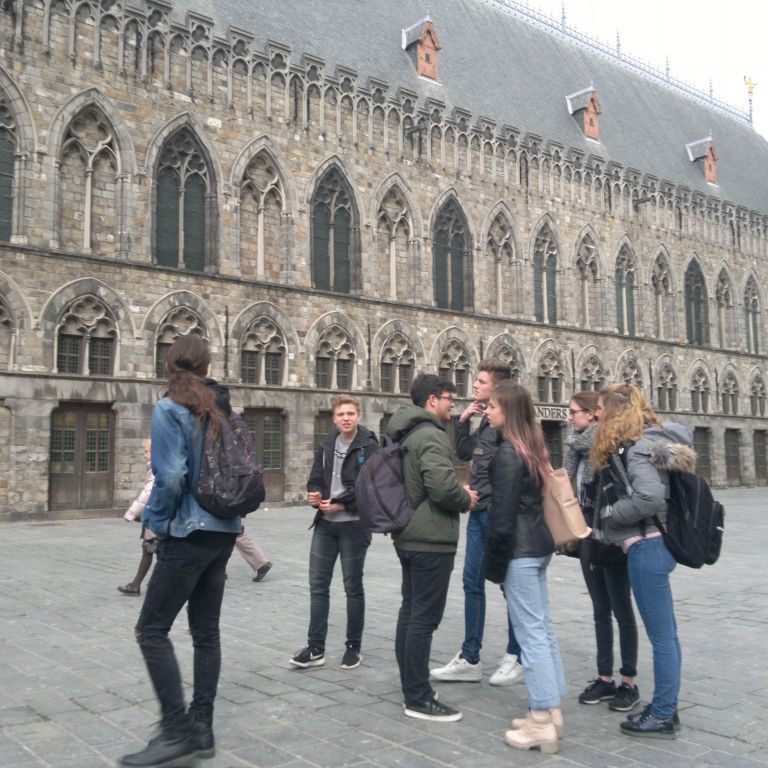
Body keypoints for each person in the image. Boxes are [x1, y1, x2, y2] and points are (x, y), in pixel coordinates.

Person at [118, 335, 243, 768]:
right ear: (207, 367)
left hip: (188, 532)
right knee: (206, 632)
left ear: (169, 366)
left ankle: (177, 730)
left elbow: (170, 475)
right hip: (223, 530)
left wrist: (156, 522)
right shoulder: (222, 408)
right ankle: (202, 726)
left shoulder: (170, 408)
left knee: (150, 631)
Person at [590, 383, 691, 739]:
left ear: (614, 411)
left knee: (662, 638)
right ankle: (666, 707)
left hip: (647, 547)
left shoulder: (636, 448)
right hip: (655, 545)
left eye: (600, 408)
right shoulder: (649, 442)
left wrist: (611, 513)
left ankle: (662, 715)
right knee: (667, 636)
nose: (596, 414)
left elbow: (649, 496)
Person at [385, 373, 478, 722]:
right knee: (423, 618)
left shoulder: (406, 431)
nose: (453, 404)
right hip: (431, 537)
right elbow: (440, 486)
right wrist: (465, 498)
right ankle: (418, 697)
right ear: (432, 400)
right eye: (449, 398)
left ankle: (411, 686)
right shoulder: (431, 435)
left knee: (410, 612)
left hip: (409, 533)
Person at [431, 360, 524, 687]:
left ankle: (516, 653)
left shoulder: (510, 426)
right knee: (472, 582)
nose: (474, 385)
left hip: (499, 515)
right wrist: (463, 421)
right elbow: (465, 452)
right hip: (478, 512)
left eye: (481, 381)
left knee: (510, 586)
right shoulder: (486, 420)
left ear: (497, 388)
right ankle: (470, 657)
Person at [485, 382, 566, 754]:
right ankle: (552, 709)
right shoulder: (531, 447)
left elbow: (501, 520)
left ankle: (541, 720)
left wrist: (495, 566)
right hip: (538, 546)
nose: (487, 411)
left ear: (509, 411)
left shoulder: (507, 454)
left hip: (519, 551)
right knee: (542, 629)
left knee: (530, 635)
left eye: (493, 406)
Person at [289, 395, 378, 671]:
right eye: (341, 414)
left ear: (358, 416)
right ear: (334, 418)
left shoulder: (369, 445)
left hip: (354, 525)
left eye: (351, 414)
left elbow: (370, 487)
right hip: (325, 524)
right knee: (318, 587)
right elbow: (315, 477)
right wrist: (314, 495)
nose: (346, 418)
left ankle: (353, 648)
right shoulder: (327, 444)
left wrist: (342, 504)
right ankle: (315, 648)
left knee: (353, 587)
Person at [564, 390, 640, 712]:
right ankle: (605, 677)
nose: (570, 417)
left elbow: (626, 491)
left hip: (611, 535)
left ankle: (629, 682)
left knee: (622, 610)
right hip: (588, 537)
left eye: (574, 412)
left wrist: (611, 524)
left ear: (592, 413)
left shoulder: (607, 446)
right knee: (599, 610)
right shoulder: (574, 449)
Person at [118, 439, 157, 596]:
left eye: (147, 451)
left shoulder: (156, 469)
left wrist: (132, 513)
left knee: (157, 551)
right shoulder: (153, 468)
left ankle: (150, 585)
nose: (144, 455)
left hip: (156, 517)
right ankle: (136, 585)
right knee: (149, 549)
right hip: (153, 517)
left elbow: (147, 494)